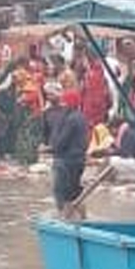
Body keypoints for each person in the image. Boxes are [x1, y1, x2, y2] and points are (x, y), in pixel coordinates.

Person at [48, 89, 91, 219]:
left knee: (61, 191)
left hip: (66, 160)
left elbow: (61, 141)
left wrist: (50, 148)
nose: (62, 104)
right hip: (78, 160)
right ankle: (82, 218)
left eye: (64, 102)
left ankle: (64, 217)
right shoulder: (81, 117)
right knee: (74, 192)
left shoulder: (70, 119)